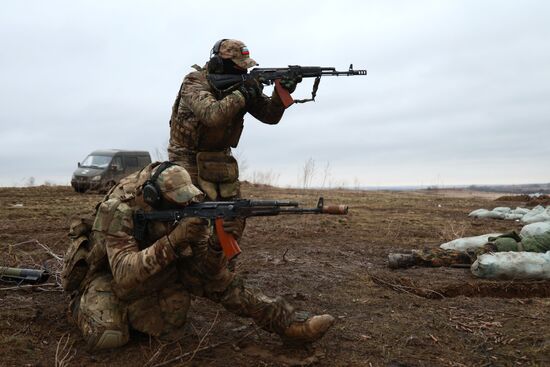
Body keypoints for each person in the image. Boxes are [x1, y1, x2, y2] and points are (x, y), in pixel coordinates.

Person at [61, 162, 334, 350]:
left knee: (197, 304)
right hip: (108, 276)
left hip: (158, 268)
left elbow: (210, 273)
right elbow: (124, 275)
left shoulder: (191, 206)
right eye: (176, 201)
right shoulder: (119, 207)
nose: (186, 205)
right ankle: (80, 305)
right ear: (153, 196)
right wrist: (174, 240)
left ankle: (289, 323)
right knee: (109, 339)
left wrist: (218, 243)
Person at [167, 39, 301, 241]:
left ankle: (220, 265)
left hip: (221, 160)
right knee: (193, 222)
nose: (243, 73)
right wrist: (242, 93)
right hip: (187, 160)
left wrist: (280, 94)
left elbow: (270, 116)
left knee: (233, 219)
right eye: (238, 67)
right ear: (219, 63)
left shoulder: (242, 86)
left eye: (245, 68)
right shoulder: (194, 82)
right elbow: (212, 115)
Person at [388, 230, 550, 269]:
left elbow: (517, 235)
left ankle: (416, 255)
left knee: (463, 255)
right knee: (460, 257)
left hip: (505, 243)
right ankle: (410, 258)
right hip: (505, 249)